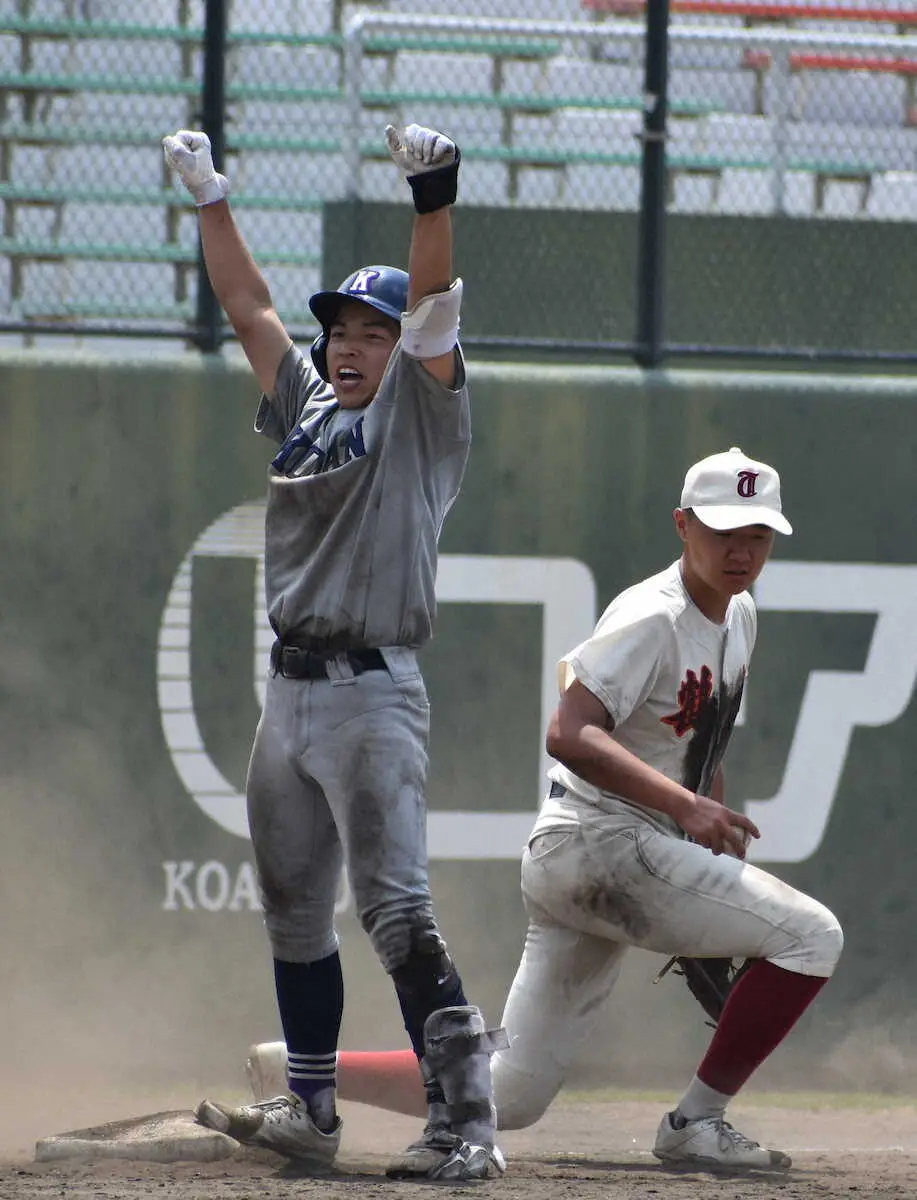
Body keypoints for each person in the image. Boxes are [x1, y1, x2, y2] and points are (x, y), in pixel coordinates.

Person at [243, 446, 844, 1171]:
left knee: (511, 1094)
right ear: (682, 526)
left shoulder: (738, 615)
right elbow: (568, 732)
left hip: (600, 855)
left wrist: (703, 823)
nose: (741, 549)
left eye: (756, 534)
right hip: (602, 845)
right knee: (813, 936)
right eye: (723, 531)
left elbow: (696, 739)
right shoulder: (650, 616)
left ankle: (301, 1071)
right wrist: (686, 811)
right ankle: (696, 1122)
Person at [161, 120, 506, 1181]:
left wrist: (431, 203)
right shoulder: (311, 406)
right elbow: (248, 308)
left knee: (395, 909)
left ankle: (464, 1125)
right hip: (291, 693)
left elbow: (437, 310)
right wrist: (211, 196)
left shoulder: (419, 410)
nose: (351, 345)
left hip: (370, 691)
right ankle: (311, 1109)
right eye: (343, 330)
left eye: (371, 329)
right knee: (294, 909)